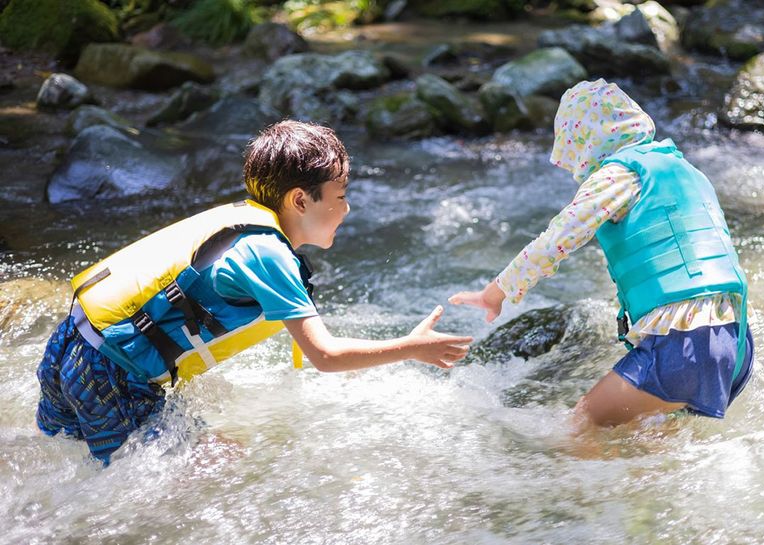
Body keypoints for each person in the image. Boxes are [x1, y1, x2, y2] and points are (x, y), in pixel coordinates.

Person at [36, 120, 473, 463]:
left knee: (71, 470)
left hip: (71, 346)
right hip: (111, 374)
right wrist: (412, 349)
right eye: (340, 196)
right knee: (212, 467)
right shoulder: (269, 256)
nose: (347, 208)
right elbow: (326, 357)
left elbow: (321, 358)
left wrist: (400, 350)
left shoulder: (245, 226)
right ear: (301, 201)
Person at [450, 79, 753, 431]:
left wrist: (496, 292)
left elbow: (557, 239)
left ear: (585, 142)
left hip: (684, 338)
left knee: (580, 427)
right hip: (734, 337)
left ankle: (583, 488)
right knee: (653, 441)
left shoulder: (617, 174)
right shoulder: (685, 169)